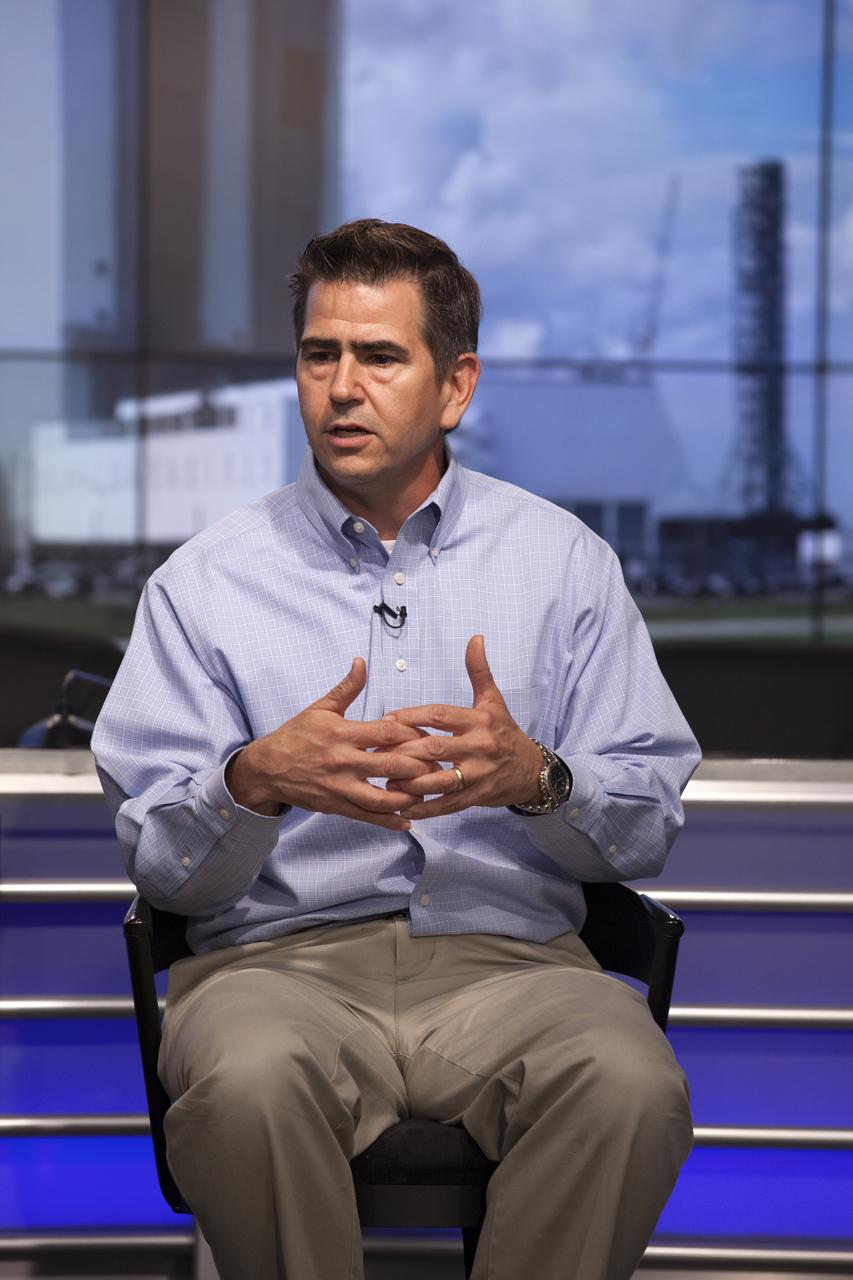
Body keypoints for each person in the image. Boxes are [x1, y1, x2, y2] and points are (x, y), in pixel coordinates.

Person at [93, 218, 701, 1280]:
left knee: (629, 1078)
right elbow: (156, 856)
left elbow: (645, 821)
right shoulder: (204, 581)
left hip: (512, 962)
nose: (339, 387)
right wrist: (250, 782)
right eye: (318, 353)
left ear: (454, 384)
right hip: (273, 963)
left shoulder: (564, 564)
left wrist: (541, 780)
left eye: (377, 356)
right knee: (245, 1081)